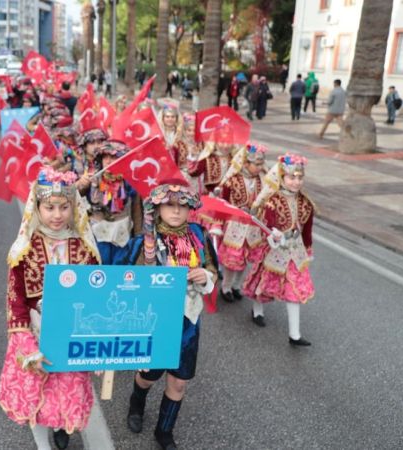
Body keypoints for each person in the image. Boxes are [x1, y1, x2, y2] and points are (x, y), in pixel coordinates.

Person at [0, 166, 101, 450]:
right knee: (35, 393)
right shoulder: (24, 249)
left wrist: (99, 343)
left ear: (73, 207)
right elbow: (15, 300)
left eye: (64, 207)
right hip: (35, 331)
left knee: (65, 391)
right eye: (50, 207)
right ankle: (43, 445)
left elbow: (96, 298)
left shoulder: (84, 248)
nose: (57, 215)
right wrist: (24, 342)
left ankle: (60, 425)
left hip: (71, 334)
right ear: (37, 207)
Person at [121, 181, 217, 450]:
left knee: (179, 381)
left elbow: (213, 269)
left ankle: (164, 431)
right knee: (149, 375)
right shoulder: (146, 241)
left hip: (188, 319)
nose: (176, 211)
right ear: (157, 207)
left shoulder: (199, 235)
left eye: (182, 206)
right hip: (155, 320)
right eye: (169, 205)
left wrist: (205, 275)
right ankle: (136, 402)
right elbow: (127, 281)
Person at [243, 153, 315, 346]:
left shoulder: (306, 202)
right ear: (282, 177)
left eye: (300, 178)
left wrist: (308, 248)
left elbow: (307, 229)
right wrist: (273, 233)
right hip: (274, 250)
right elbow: (266, 224)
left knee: (294, 289)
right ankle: (257, 309)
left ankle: (295, 335)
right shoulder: (272, 201)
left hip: (295, 250)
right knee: (263, 281)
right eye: (292, 177)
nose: (296, 182)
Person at [215, 144, 267, 303]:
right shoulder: (232, 180)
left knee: (245, 258)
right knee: (232, 260)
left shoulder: (262, 181)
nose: (259, 168)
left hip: (252, 226)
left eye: (261, 164)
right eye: (256, 164)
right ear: (245, 163)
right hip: (235, 225)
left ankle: (237, 285)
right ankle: (226, 286)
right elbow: (222, 203)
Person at [85, 140, 142, 264]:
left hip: (121, 232)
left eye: (113, 157)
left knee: (119, 266)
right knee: (100, 264)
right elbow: (74, 194)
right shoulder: (93, 178)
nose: (108, 161)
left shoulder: (129, 181)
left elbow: (136, 211)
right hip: (98, 233)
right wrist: (83, 183)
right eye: (105, 157)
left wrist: (138, 236)